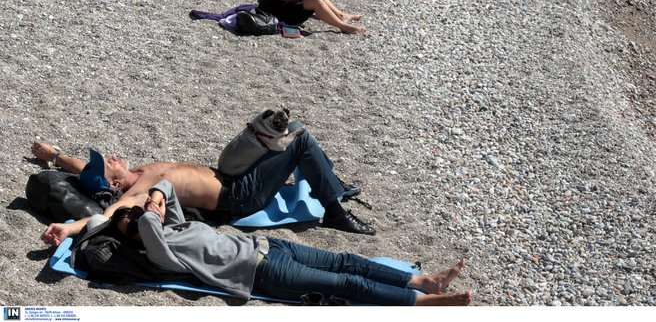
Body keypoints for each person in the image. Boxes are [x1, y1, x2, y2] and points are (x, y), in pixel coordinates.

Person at [97, 179, 472, 305]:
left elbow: (165, 188)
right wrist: (144, 213)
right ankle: (424, 303)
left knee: (347, 261)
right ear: (139, 239)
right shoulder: (165, 254)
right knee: (347, 284)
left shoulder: (173, 230)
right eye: (138, 225)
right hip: (262, 272)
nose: (148, 220)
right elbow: (147, 223)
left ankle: (425, 282)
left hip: (272, 246)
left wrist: (158, 199)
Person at [35, 117, 376, 245]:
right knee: (300, 140)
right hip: (240, 196)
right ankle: (334, 210)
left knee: (291, 126)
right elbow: (111, 214)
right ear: (112, 183)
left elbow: (82, 168)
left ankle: (331, 185)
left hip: (232, 177)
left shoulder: (136, 171)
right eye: (107, 163)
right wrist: (70, 227)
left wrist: (53, 155)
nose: (110, 157)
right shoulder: (138, 190)